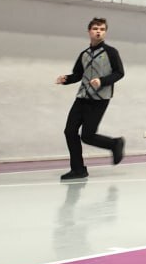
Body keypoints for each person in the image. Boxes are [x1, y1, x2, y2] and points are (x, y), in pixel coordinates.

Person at [54, 17, 126, 181]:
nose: (98, 32)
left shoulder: (111, 52)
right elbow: (78, 75)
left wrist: (102, 81)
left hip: (100, 99)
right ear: (89, 31)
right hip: (82, 97)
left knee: (87, 136)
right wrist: (66, 79)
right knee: (70, 131)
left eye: (102, 29)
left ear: (105, 32)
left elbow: (119, 73)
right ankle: (78, 169)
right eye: (95, 29)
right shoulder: (84, 54)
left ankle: (115, 144)